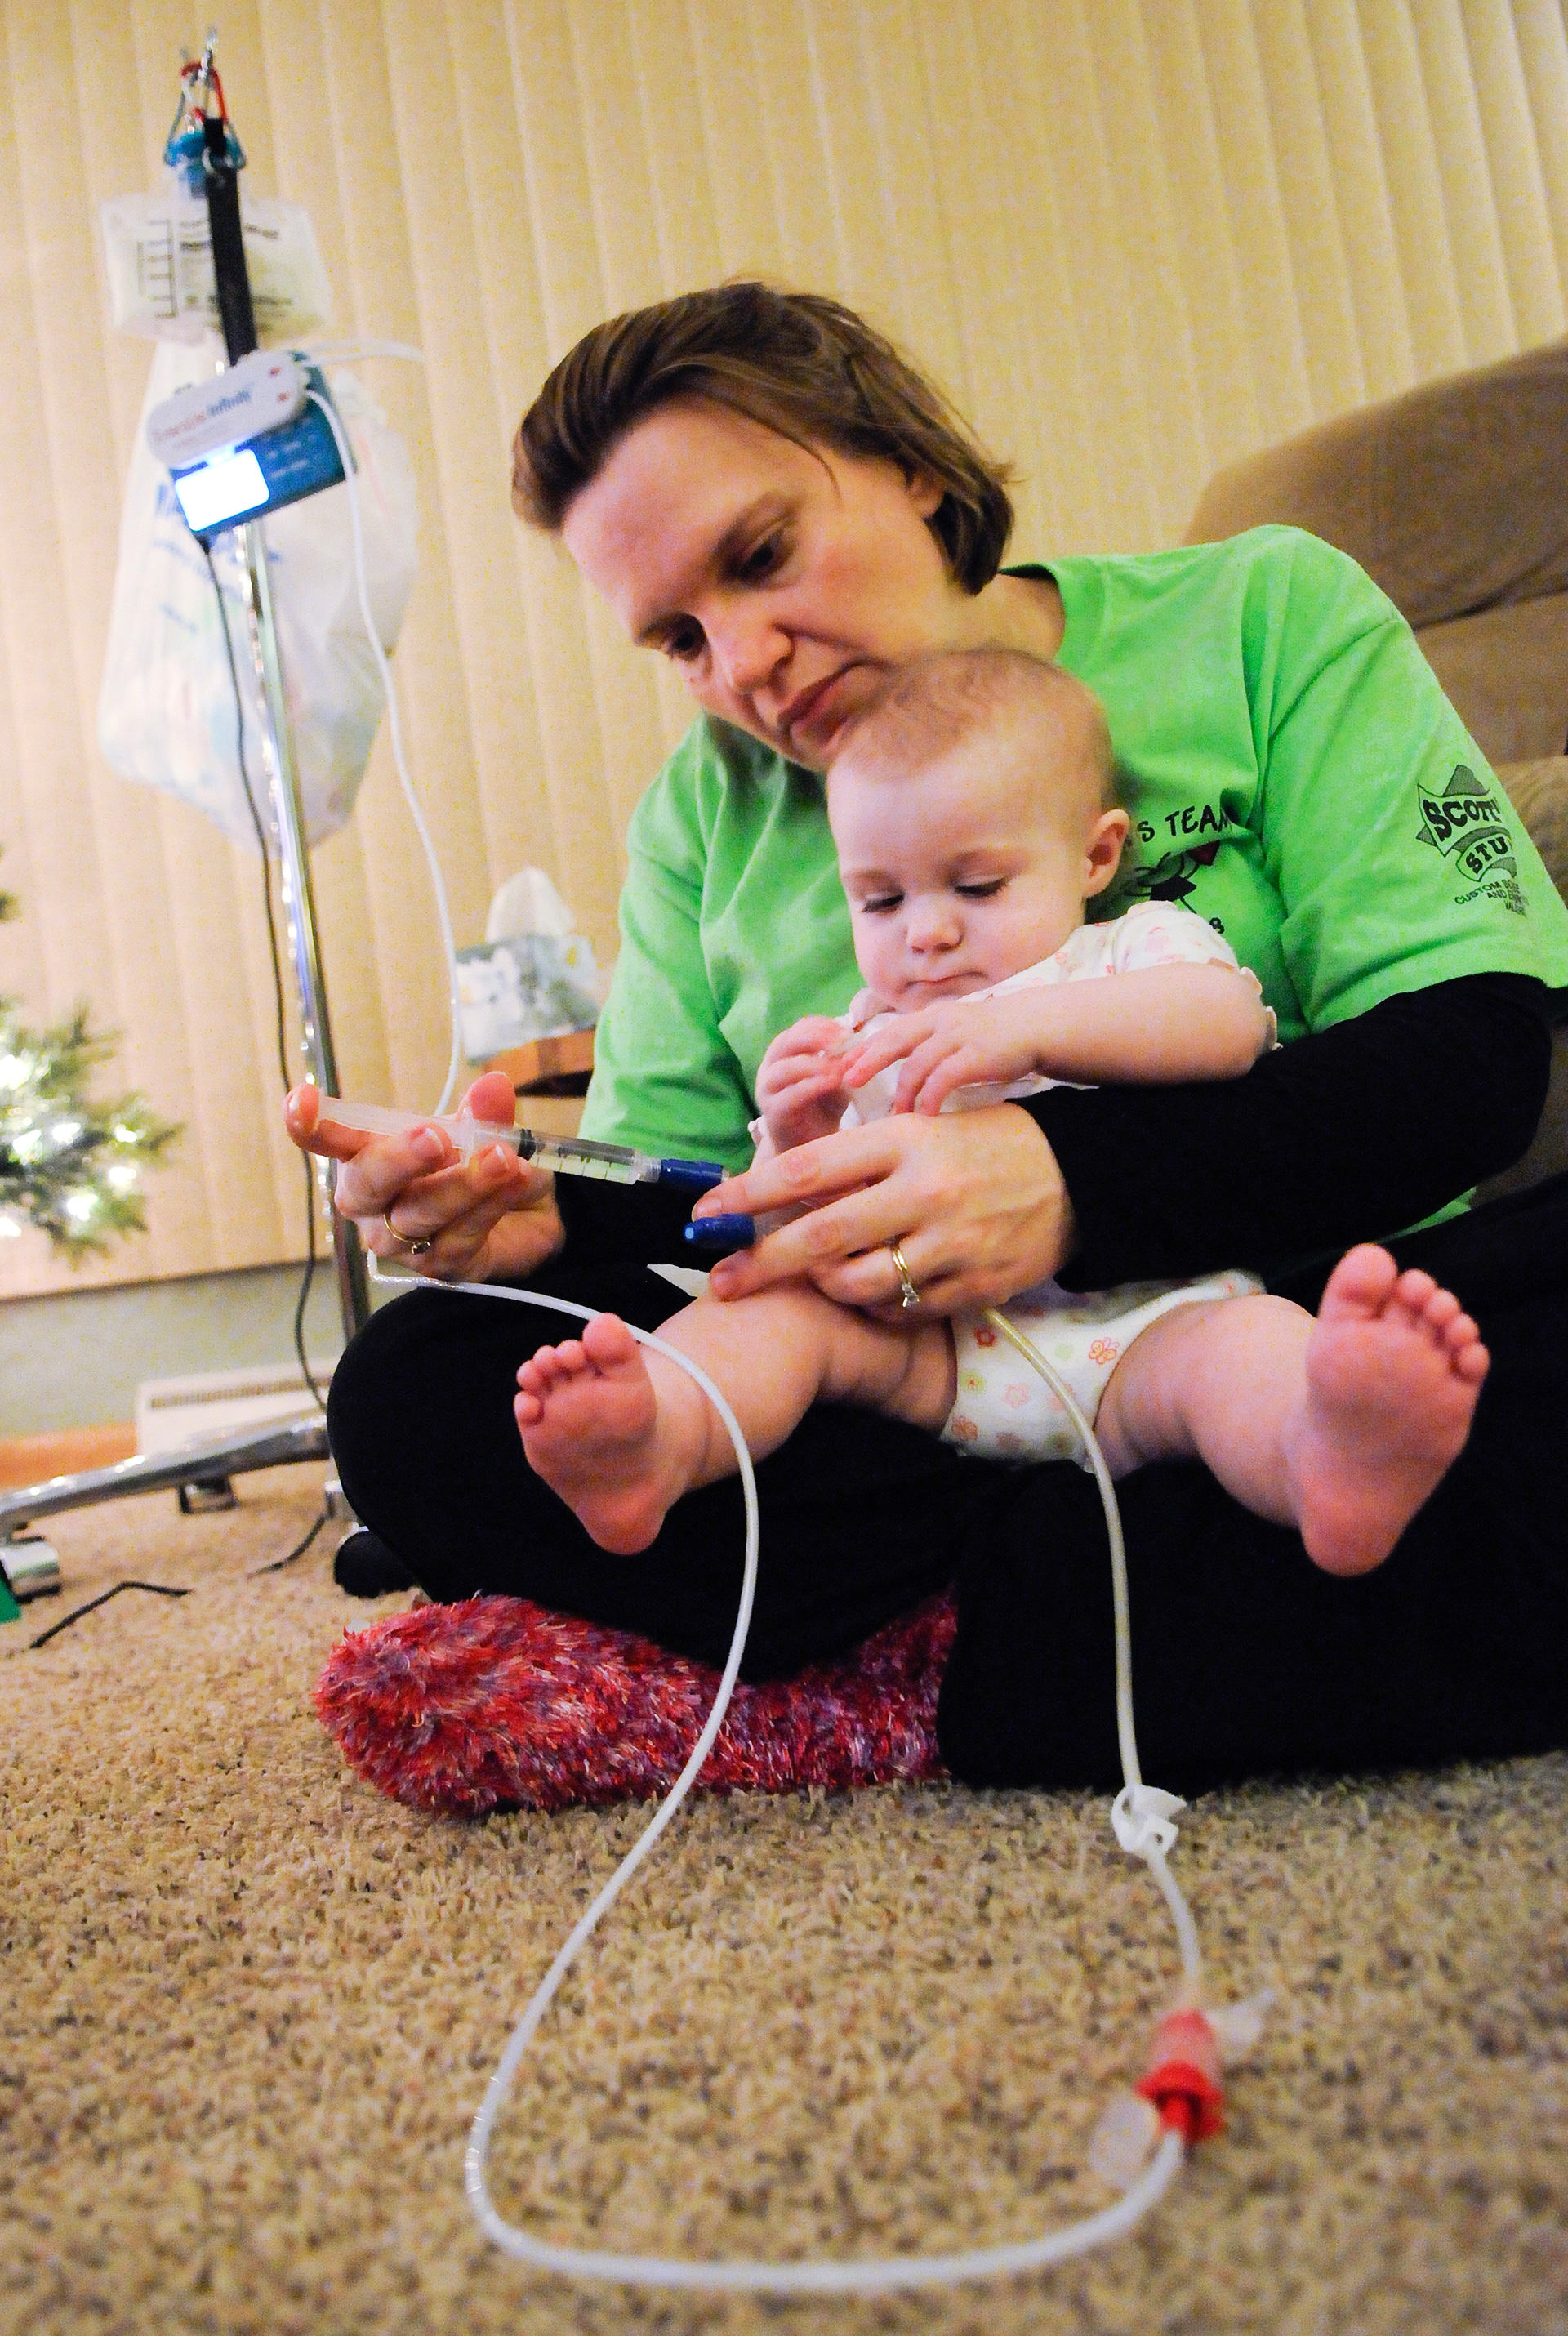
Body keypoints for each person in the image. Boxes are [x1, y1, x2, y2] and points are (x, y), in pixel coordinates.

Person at [290, 283, 1568, 1790]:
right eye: (681, 637)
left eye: (759, 556)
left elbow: (1472, 1063)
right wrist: (542, 1224)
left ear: (906, 459)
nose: (743, 662)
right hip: (912, 1383)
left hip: (1286, 1311)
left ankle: (899, 1660)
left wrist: (1066, 1176)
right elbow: (704, 1217)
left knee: (1459, 1361)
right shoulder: (705, 811)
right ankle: (1123, 1626)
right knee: (411, 1388)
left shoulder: (1262, 615)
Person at [513, 647, 1490, 1580]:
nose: (928, 932)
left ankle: (1324, 1456)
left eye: (977, 886)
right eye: (879, 900)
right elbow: (802, 1233)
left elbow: (1227, 1025)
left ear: (1094, 855)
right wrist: (802, 1131)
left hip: (1151, 1329)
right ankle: (661, 1437)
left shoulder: (1128, 951)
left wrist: (1026, 1030)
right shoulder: (870, 1027)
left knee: (1254, 1347)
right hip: (934, 1355)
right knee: (765, 1311)